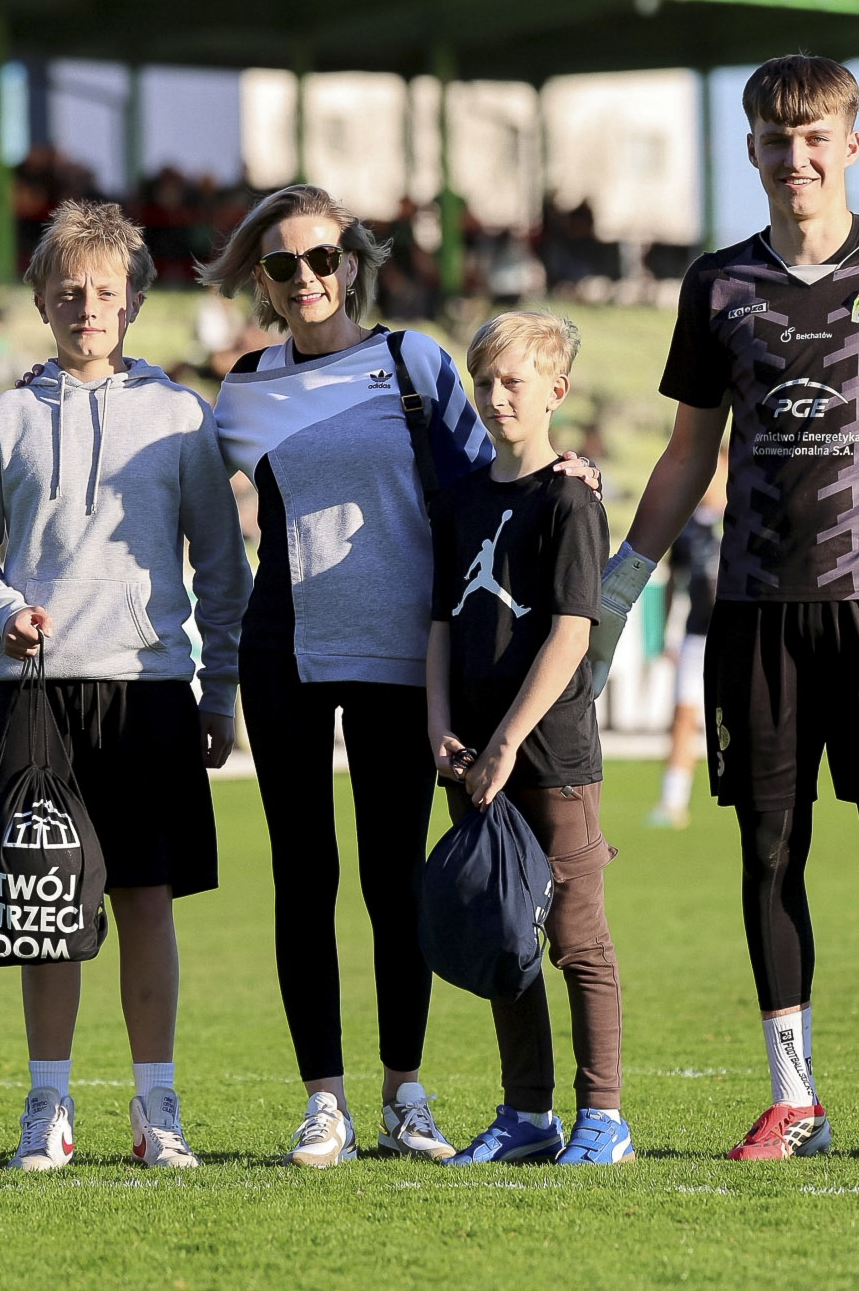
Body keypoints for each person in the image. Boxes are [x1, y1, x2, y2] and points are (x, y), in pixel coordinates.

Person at [586, 54, 859, 1167]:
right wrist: (619, 585)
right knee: (767, 855)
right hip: (756, 613)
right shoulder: (718, 284)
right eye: (776, 139)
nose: (796, 157)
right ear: (751, 150)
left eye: (815, 136)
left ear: (850, 144)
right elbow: (688, 453)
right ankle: (794, 1100)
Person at [202, 186, 604, 1167]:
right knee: (303, 879)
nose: (306, 277)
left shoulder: (411, 360)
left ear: (352, 263)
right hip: (284, 655)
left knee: (394, 882)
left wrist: (569, 473)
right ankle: (324, 1103)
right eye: (284, 264)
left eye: (322, 258)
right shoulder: (243, 389)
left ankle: (401, 1095)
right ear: (263, 282)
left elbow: (489, 486)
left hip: (400, 661)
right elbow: (199, 519)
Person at [0, 200, 250, 1171]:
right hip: (36, 694)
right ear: (40, 300)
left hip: (148, 689)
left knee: (147, 903)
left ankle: (156, 1108)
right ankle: (48, 1105)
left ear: (133, 304)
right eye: (68, 291)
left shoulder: (181, 418)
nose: (86, 307)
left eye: (104, 292)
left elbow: (223, 567)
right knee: (44, 911)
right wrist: (0, 609)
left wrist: (220, 689)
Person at [427, 312, 633, 1167]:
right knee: (502, 934)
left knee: (576, 936)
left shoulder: (570, 499)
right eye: (484, 381)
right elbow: (440, 622)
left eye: (513, 381)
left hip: (551, 758)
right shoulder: (460, 497)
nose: (495, 396)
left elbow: (571, 633)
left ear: (556, 389)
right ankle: (526, 1114)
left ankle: (604, 1117)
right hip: (474, 759)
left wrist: (509, 739)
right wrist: (439, 724)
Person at [647, 457, 725, 829]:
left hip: (739, 635)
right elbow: (673, 581)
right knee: (683, 715)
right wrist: (667, 634)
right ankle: (673, 799)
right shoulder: (688, 526)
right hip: (697, 635)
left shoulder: (747, 515)